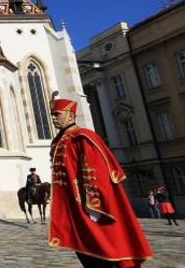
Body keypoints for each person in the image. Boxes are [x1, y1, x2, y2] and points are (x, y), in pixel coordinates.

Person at [48, 97, 153, 267]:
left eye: (57, 115)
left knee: (104, 250)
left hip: (88, 206)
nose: (53, 118)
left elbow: (94, 172)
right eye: (52, 115)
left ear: (70, 115)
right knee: (85, 250)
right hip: (73, 207)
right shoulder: (60, 140)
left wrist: (94, 204)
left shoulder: (82, 137)